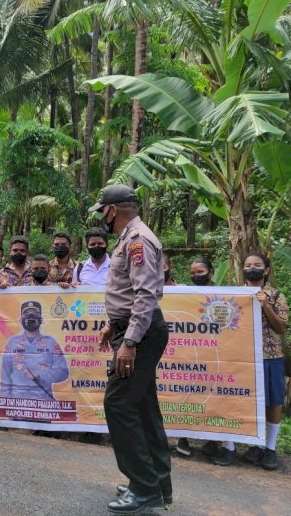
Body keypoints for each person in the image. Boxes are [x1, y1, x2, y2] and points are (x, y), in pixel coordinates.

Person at [91, 184, 172, 513]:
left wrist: (130, 341)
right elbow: (132, 293)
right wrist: (115, 324)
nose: (102, 219)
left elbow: (145, 295)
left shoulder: (137, 239)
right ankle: (157, 484)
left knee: (119, 404)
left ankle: (144, 488)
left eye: (103, 212)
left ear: (113, 210)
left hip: (142, 333)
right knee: (141, 407)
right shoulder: (132, 237)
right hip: (136, 328)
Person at [213, 252, 289, 470]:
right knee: (231, 399)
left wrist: (266, 306)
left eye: (257, 265)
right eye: (247, 265)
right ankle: (230, 447)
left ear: (266, 270)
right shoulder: (233, 294)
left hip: (269, 356)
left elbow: (282, 328)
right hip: (238, 357)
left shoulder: (276, 296)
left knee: (273, 402)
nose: (251, 268)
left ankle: (270, 449)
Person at [175, 257, 218, 458]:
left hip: (213, 354)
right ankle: (183, 437)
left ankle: (214, 440)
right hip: (189, 354)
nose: (195, 276)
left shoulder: (225, 295)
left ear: (211, 271)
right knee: (187, 394)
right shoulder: (185, 294)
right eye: (192, 273)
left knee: (214, 396)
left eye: (199, 272)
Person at [0, 300, 69, 400]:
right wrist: (5, 401)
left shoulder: (50, 342)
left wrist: (40, 374)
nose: (30, 316)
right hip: (18, 403)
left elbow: (63, 371)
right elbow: (5, 376)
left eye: (35, 313)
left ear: (41, 319)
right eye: (26, 314)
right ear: (20, 320)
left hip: (44, 402)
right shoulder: (12, 343)